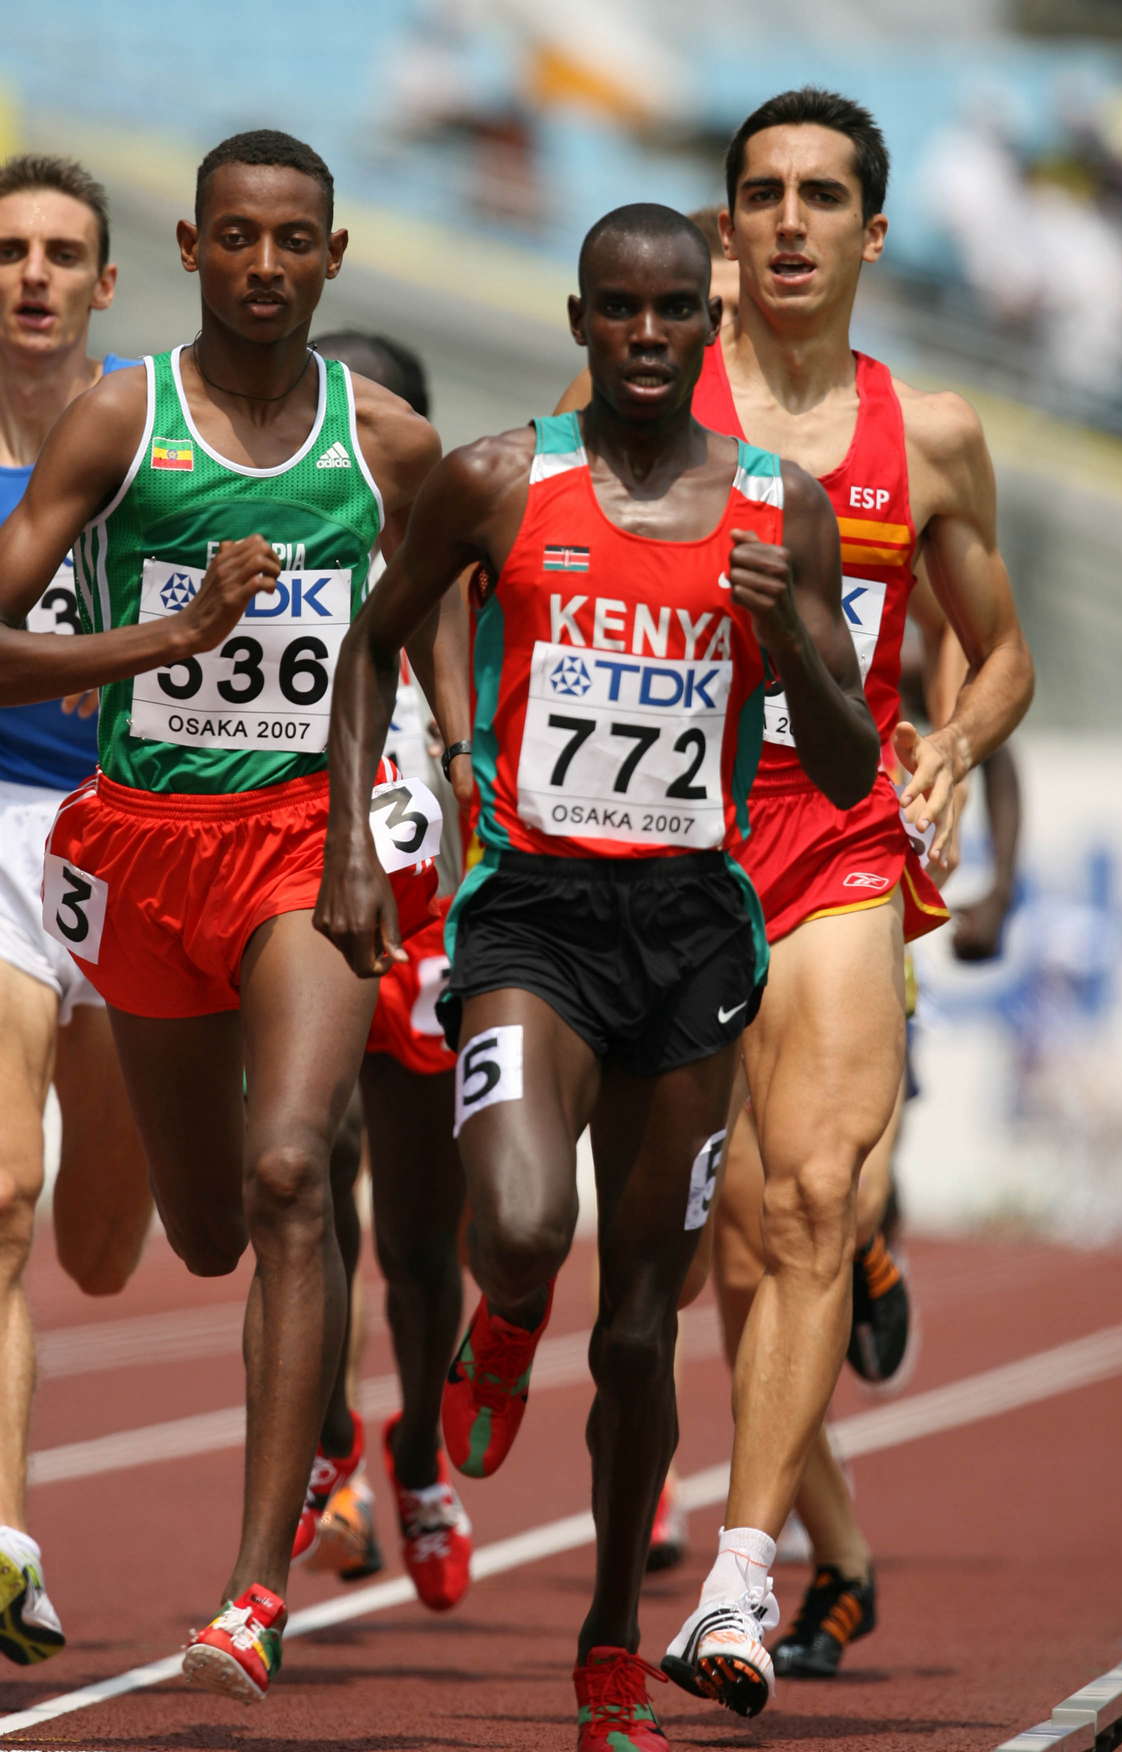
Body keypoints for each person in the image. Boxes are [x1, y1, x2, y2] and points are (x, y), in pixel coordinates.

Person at [315, 202, 879, 1752]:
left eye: (671, 310)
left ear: (709, 326)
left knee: (638, 1331)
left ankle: (609, 1645)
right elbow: (372, 643)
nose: (643, 334)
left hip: (692, 936)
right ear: (578, 322)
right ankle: (505, 1320)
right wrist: (352, 842)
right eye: (616, 309)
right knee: (515, 1228)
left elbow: (844, 768)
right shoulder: (499, 480)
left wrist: (793, 645)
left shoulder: (779, 509)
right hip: (533, 918)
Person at [559, 88, 1034, 1715]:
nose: (786, 221)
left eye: (819, 196)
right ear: (722, 223)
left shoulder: (934, 434)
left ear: (871, 233)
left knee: (818, 1197)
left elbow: (1000, 650)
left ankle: (744, 1579)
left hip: (835, 835)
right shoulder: (642, 383)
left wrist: (953, 745)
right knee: (714, 1259)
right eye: (758, 192)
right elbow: (520, 548)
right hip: (657, 845)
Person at [0, 129, 445, 1703]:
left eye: (293, 239)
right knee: (196, 1235)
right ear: (192, 250)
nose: (265, 264)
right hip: (144, 845)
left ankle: (252, 1594)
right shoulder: (125, 420)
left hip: (306, 848)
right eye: (237, 237)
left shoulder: (385, 441)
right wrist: (170, 635)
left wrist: (436, 780)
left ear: (333, 256)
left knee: (292, 1174)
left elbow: (439, 606)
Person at [291, 328, 472, 1613]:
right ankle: (326, 1433)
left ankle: (415, 1454)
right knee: (305, 1168)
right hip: (292, 886)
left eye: (377, 420)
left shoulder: (465, 556)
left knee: (419, 1237)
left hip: (428, 908)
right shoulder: (263, 532)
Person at [0, 152, 153, 1668]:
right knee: (1, 1197)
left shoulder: (152, 437)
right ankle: (5, 1545)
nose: (32, 276)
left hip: (130, 839)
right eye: (8, 250)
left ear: (105, 282)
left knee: (108, 1247)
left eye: (61, 254)